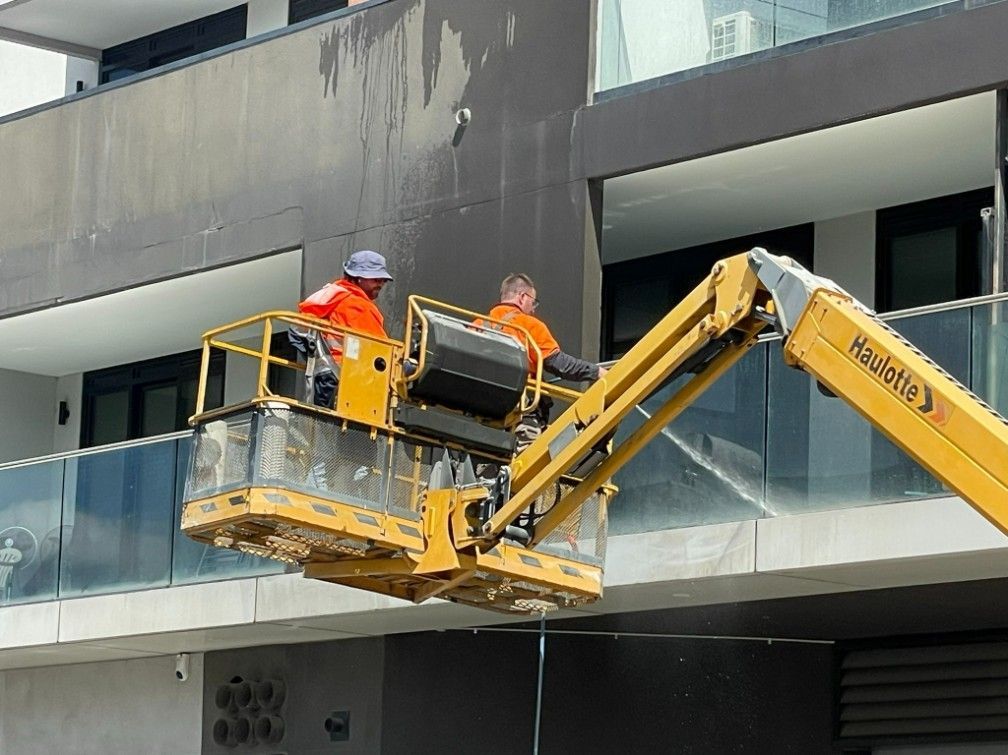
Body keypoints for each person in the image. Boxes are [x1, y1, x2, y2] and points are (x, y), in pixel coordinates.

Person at [479, 273, 608, 450]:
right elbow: (558, 363)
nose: (534, 309)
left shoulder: (477, 325)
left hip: (485, 417)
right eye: (534, 302)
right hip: (522, 414)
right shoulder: (527, 324)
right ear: (522, 297)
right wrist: (596, 372)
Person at [293, 250, 393, 407]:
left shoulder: (331, 298)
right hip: (346, 381)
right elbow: (383, 353)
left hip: (325, 379)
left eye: (383, 280)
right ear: (358, 278)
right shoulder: (358, 305)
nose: (380, 283)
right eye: (376, 278)